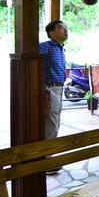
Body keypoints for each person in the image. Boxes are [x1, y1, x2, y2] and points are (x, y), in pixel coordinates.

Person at [40, 21, 68, 174]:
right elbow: (30, 57)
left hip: (59, 88)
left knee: (55, 121)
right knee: (51, 123)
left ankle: (49, 157)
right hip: (50, 88)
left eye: (65, 28)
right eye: (61, 28)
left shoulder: (60, 48)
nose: (65, 30)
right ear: (51, 33)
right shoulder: (46, 46)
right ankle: (47, 161)